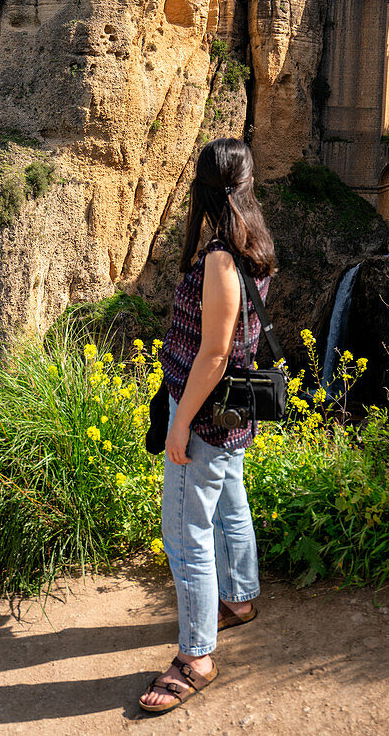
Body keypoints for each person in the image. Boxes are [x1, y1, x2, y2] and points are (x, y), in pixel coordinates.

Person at [140, 137, 276, 715]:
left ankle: (196, 656)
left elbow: (215, 354)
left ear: (203, 188)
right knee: (231, 500)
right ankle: (240, 598)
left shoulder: (222, 257)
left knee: (185, 533)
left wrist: (179, 426)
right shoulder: (257, 244)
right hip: (232, 415)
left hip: (205, 413)